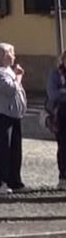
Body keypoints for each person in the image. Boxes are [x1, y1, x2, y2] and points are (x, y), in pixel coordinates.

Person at [0, 42, 27, 194]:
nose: (14, 55)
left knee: (15, 149)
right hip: (2, 114)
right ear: (4, 55)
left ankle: (14, 180)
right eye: (11, 52)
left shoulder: (7, 70)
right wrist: (19, 76)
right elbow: (11, 89)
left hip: (13, 114)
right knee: (3, 148)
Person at [44, 50, 66, 191]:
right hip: (62, 115)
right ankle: (63, 177)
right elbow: (52, 95)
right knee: (64, 147)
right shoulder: (56, 75)